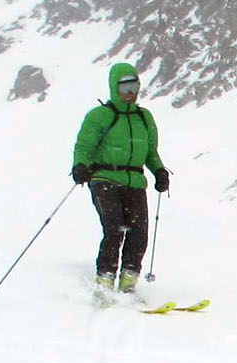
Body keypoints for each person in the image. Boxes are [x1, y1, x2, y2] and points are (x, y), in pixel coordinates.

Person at [71, 62, 171, 293]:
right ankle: (105, 280)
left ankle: (128, 282)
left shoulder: (144, 118)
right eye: (125, 87)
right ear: (114, 87)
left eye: (134, 87)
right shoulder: (100, 116)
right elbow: (84, 146)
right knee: (114, 227)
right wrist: (80, 166)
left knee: (139, 233)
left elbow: (150, 152)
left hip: (135, 182)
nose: (130, 93)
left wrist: (159, 171)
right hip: (104, 178)